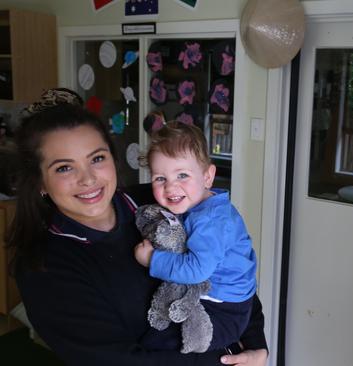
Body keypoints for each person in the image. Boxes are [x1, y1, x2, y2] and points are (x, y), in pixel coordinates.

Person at [8, 88, 268, 366]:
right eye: (64, 168)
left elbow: (231, 267)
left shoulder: (160, 201)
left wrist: (256, 346)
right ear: (39, 182)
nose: (88, 179)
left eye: (97, 159)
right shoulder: (45, 266)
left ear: (113, 159)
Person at [134, 121, 257, 352]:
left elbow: (196, 270)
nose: (171, 187)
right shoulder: (200, 204)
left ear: (208, 176)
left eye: (182, 175)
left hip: (226, 309)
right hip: (221, 298)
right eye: (160, 178)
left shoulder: (210, 221)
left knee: (158, 344)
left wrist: (152, 259)